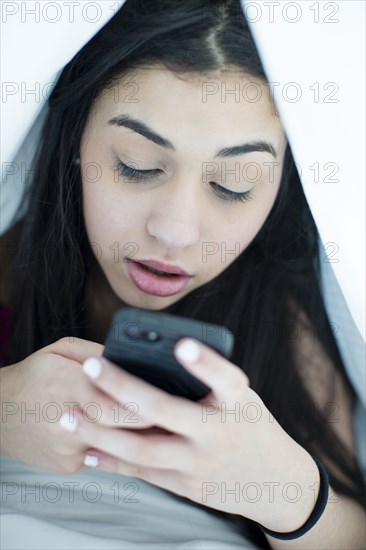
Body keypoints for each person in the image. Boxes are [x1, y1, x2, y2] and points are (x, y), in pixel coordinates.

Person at [0, 0, 365, 548]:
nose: (175, 232)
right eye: (136, 165)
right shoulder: (8, 263)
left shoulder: (287, 322)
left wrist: (284, 490)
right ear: (75, 138)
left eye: (234, 184)